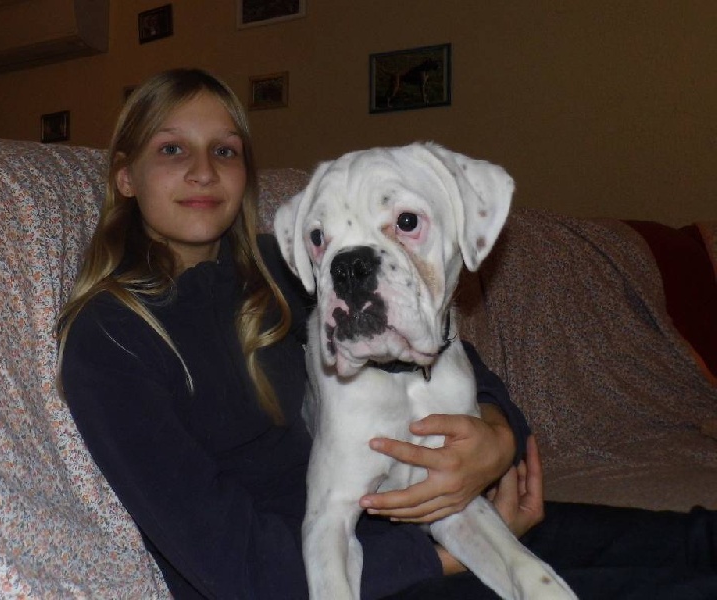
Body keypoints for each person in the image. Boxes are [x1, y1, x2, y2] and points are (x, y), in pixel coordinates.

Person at [57, 68, 716, 599]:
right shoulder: (110, 340)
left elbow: (449, 351)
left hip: (432, 512)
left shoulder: (283, 270)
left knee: (688, 540)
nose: (203, 170)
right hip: (337, 573)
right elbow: (237, 567)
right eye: (172, 149)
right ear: (125, 175)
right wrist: (440, 558)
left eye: (224, 150)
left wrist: (495, 436)